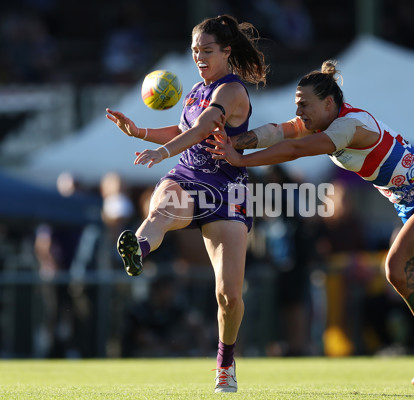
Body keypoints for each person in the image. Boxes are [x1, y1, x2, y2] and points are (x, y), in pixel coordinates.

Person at [207, 60, 414, 394]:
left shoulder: (347, 126)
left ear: (328, 103)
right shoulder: (325, 120)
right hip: (413, 202)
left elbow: (294, 149)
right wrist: (236, 143)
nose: (300, 113)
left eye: (304, 105)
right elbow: (278, 132)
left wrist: (241, 160)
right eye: (298, 106)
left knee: (396, 269)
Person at [105, 14, 268, 393]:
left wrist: (160, 151)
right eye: (195, 51)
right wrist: (140, 131)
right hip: (188, 176)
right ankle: (138, 249)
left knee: (228, 296)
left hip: (228, 189)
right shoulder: (196, 89)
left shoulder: (231, 91)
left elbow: (201, 130)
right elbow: (183, 130)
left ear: (227, 52)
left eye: (207, 50)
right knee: (161, 210)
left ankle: (225, 366)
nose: (199, 57)